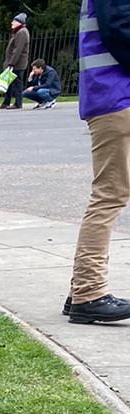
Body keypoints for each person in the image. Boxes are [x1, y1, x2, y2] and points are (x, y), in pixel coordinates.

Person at [65, 0, 130, 322]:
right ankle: (89, 293)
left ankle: (81, 288)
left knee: (109, 193)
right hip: (118, 96)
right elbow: (119, 28)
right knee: (110, 194)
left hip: (111, 96)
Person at [0, 13, 32, 109]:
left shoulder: (22, 32)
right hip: (14, 63)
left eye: (14, 21)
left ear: (19, 23)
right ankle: (6, 102)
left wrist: (11, 63)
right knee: (8, 83)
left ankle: (18, 103)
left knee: (17, 84)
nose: (12, 23)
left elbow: (18, 49)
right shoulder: (18, 32)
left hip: (17, 64)